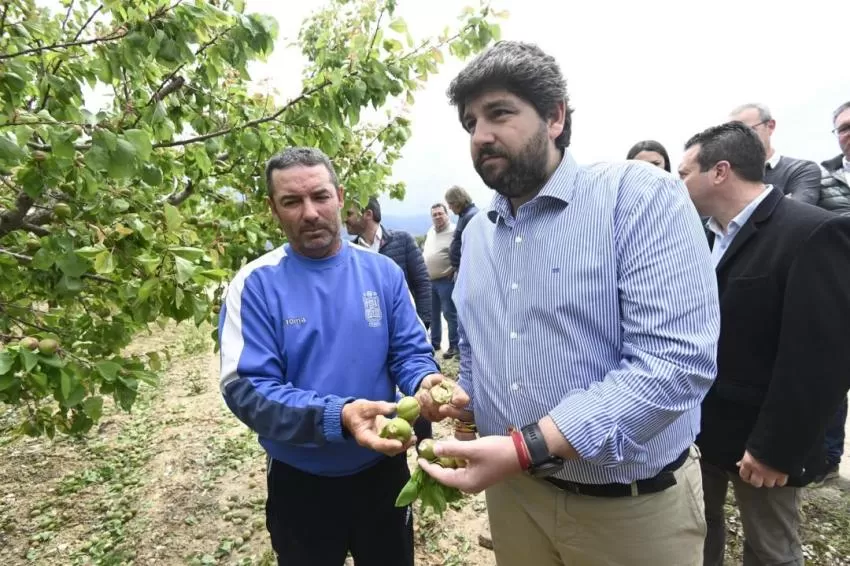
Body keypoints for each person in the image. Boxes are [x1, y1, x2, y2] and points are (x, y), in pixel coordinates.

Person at [415, 40, 720, 566]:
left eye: (499, 113)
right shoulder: (480, 234)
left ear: (555, 117)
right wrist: (463, 397)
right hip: (514, 497)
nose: (481, 135)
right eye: (470, 123)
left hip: (630, 512)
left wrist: (525, 446)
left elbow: (676, 364)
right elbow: (477, 347)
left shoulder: (637, 197)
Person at [218, 147, 441, 566]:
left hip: (382, 470)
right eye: (291, 201)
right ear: (273, 209)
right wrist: (338, 416)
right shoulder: (255, 285)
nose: (309, 213)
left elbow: (410, 351)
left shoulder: (383, 273)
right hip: (300, 481)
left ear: (339, 197)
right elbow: (247, 390)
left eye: (320, 196)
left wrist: (424, 380)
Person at [677, 121, 850, 565]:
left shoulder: (810, 232)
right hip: (703, 428)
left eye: (684, 173)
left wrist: (775, 448)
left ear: (720, 171)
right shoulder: (702, 235)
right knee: (698, 531)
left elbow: (820, 358)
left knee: (770, 548)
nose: (678, 184)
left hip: (761, 438)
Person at [818, 101, 850, 481]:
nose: (848, 134)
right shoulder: (821, 177)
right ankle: (828, 460)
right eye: (843, 128)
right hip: (839, 288)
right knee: (832, 376)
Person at [344, 196, 432, 330]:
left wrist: (422, 324)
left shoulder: (403, 240)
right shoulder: (351, 252)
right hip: (371, 331)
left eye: (349, 214)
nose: (345, 219)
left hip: (405, 327)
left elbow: (422, 283)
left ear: (368, 214)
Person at [728, 103, 823, 205]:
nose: (739, 138)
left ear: (770, 126)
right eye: (733, 133)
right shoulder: (725, 173)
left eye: (747, 130)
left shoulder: (801, 170)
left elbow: (797, 211)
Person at [422, 202, 459, 359]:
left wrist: (455, 269)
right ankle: (435, 343)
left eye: (440, 213)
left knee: (450, 314)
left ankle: (454, 345)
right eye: (434, 214)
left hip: (446, 280)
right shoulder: (431, 231)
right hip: (430, 280)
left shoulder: (454, 230)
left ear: (446, 214)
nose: (437, 217)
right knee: (433, 315)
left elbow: (462, 251)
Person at [444, 185, 478, 276]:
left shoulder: (471, 216)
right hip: (460, 268)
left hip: (467, 270)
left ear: (457, 201)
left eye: (450, 203)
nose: (449, 207)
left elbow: (473, 248)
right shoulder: (464, 215)